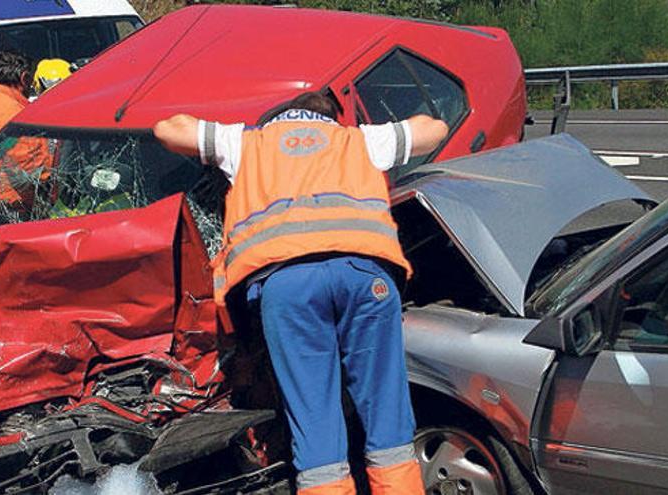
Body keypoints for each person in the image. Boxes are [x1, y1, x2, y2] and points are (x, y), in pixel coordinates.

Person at [153, 92, 448, 495]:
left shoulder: (247, 143)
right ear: (327, 117)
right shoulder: (357, 141)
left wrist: (230, 133)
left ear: (275, 118)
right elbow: (436, 130)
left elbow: (167, 129)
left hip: (287, 287)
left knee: (314, 417)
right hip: (365, 277)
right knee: (386, 411)